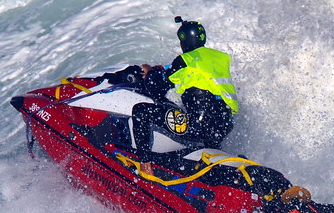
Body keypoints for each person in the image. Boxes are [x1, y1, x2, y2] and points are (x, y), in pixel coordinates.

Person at [100, 16, 238, 158]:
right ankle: (215, 157)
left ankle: (144, 163)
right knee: (207, 124)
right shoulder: (220, 58)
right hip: (224, 125)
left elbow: (157, 86)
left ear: (184, 41)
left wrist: (150, 73)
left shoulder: (186, 60)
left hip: (199, 126)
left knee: (141, 110)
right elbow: (192, 75)